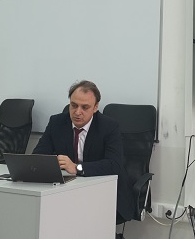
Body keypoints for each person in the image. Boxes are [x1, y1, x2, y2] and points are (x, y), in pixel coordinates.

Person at [33, 80, 135, 223]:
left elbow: (114, 164)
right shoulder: (56, 122)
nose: (77, 112)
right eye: (73, 105)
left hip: (102, 191)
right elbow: (38, 156)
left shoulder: (109, 127)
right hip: (67, 189)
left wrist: (77, 168)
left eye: (85, 107)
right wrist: (52, 163)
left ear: (95, 107)